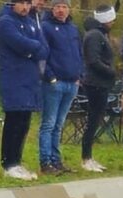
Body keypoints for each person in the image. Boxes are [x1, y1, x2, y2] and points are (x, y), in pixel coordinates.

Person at [0, 0, 46, 181]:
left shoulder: (31, 22)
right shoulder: (6, 21)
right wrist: (32, 49)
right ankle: (8, 163)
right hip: (14, 77)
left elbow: (44, 48)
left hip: (30, 79)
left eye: (27, 3)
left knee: (24, 122)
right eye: (21, 3)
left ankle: (17, 161)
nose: (25, 7)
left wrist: (31, 50)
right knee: (13, 121)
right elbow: (18, 43)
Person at [38, 0, 82, 176]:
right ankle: (45, 161)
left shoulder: (73, 29)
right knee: (48, 124)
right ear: (52, 8)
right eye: (58, 6)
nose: (61, 10)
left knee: (59, 124)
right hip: (54, 83)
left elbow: (79, 52)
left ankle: (57, 160)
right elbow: (42, 55)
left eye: (64, 6)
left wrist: (80, 75)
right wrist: (50, 77)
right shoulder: (46, 27)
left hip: (72, 82)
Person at [80, 5, 116, 173]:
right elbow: (93, 61)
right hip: (95, 84)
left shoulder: (100, 34)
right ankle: (86, 158)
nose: (113, 22)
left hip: (100, 83)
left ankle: (89, 156)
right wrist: (111, 72)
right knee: (93, 120)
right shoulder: (95, 35)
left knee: (95, 120)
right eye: (111, 19)